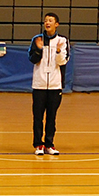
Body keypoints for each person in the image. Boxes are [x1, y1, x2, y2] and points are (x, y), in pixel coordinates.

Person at [30, 13, 69, 156]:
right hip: (39, 85)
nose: (47, 23)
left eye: (50, 20)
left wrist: (58, 51)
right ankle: (38, 144)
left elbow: (62, 62)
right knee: (38, 116)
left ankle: (49, 144)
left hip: (55, 85)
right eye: (46, 20)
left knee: (52, 116)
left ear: (56, 24)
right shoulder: (37, 39)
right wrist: (38, 49)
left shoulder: (63, 41)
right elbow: (32, 59)